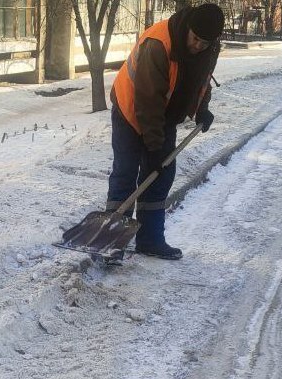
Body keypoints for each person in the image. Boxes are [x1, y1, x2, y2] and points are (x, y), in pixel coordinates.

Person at [107, 3, 224, 260]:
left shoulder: (210, 48)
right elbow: (147, 102)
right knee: (126, 173)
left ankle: (149, 240)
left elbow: (202, 80)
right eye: (195, 39)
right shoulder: (158, 43)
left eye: (205, 43)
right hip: (130, 108)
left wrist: (202, 108)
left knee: (160, 176)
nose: (198, 46)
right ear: (188, 28)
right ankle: (113, 243)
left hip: (164, 115)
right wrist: (155, 145)